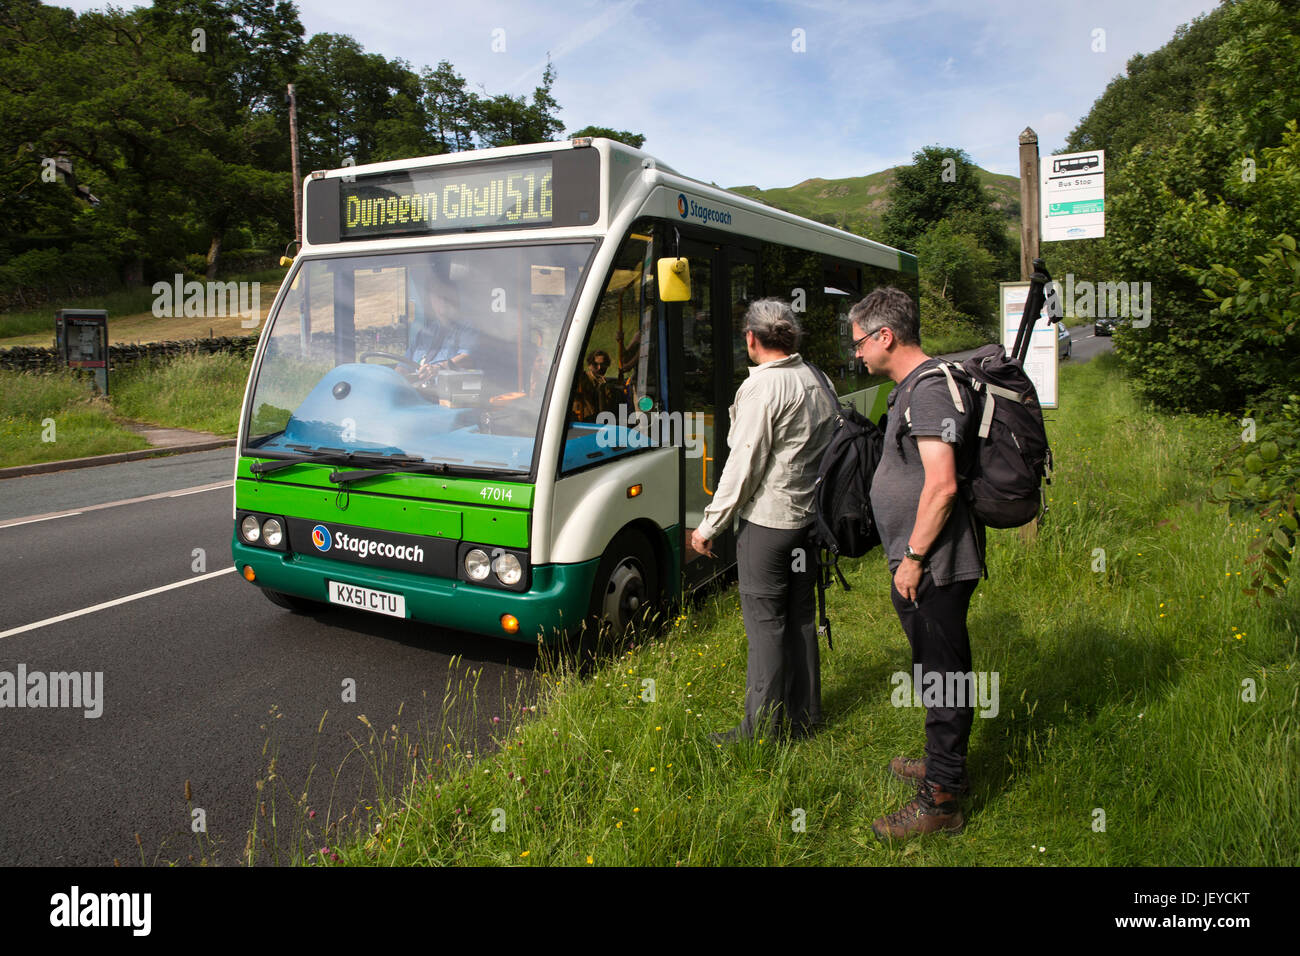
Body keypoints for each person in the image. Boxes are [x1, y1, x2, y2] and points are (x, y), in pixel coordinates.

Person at [850, 286, 985, 841]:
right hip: (926, 560)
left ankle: (942, 804)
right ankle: (941, 764)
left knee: (945, 675)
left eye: (859, 342)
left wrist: (912, 558)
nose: (856, 353)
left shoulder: (928, 392)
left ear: (885, 336)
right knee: (935, 670)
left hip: (935, 562)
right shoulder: (915, 387)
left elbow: (943, 484)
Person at [689, 298, 837, 743]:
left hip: (769, 527)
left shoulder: (762, 389)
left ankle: (761, 731)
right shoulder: (818, 379)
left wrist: (709, 524)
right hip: (808, 523)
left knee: (767, 626)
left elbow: (743, 465)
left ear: (751, 339)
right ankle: (804, 715)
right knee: (801, 618)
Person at [570, 350, 613, 421]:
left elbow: (604, 414)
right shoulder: (582, 379)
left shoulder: (606, 386)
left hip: (597, 422)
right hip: (580, 421)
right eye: (595, 364)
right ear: (589, 365)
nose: (599, 368)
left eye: (603, 365)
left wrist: (601, 391)